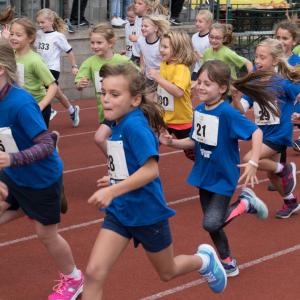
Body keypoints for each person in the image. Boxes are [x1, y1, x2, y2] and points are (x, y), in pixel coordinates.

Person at [81, 63, 227, 299]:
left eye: (115, 94)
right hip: (120, 211)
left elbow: (150, 171)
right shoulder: (118, 123)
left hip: (146, 213)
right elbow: (132, 164)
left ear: (135, 100)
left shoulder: (135, 126)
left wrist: (113, 190)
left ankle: (204, 260)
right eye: (104, 93)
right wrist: (115, 176)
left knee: (168, 271)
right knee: (94, 273)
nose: (106, 99)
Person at [160, 60, 270, 277]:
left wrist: (254, 161)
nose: (200, 87)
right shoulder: (199, 109)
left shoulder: (227, 113)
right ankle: (228, 262)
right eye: (199, 82)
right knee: (213, 225)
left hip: (223, 176)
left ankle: (245, 203)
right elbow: (195, 141)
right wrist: (172, 143)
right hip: (204, 175)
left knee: (211, 223)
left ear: (221, 88)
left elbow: (256, 132)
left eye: (207, 84)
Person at [0, 39, 83, 300]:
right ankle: (25, 206)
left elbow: (45, 144)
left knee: (46, 235)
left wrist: (12, 160)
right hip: (13, 174)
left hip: (40, 178)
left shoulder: (21, 103)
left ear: (1, 68)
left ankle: (74, 278)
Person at [233, 38, 300, 219]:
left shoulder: (282, 83)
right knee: (272, 174)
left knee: (249, 159)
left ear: (275, 60)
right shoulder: (256, 82)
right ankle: (290, 201)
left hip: (279, 133)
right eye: (256, 57)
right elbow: (243, 107)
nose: (257, 61)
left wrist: (298, 113)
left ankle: (285, 169)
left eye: (262, 57)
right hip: (263, 132)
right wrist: (237, 100)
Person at [75, 23, 131, 155]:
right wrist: (80, 84)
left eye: (99, 42)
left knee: (102, 138)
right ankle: (120, 166)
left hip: (125, 111)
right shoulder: (90, 62)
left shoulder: (122, 60)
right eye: (92, 43)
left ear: (110, 43)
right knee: (112, 142)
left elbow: (138, 77)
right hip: (105, 111)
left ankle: (122, 166)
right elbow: (79, 81)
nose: (95, 46)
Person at [148, 30, 196, 160]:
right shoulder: (164, 64)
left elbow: (178, 92)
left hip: (182, 120)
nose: (161, 50)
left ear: (178, 49)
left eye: (165, 47)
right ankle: (141, 171)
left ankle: (212, 172)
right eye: (161, 46)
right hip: (166, 119)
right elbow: (163, 90)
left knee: (194, 154)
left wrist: (158, 78)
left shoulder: (181, 68)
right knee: (150, 144)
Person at [9, 17, 58, 128]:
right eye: (11, 34)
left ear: (30, 38)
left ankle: (51, 144)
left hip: (36, 106)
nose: (13, 38)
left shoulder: (35, 60)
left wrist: (41, 106)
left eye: (18, 35)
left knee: (39, 142)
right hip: (20, 106)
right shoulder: (10, 55)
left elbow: (53, 86)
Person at [35, 8, 80, 128]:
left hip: (52, 69)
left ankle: (48, 109)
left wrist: (74, 66)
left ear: (51, 21)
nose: (40, 25)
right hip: (40, 68)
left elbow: (69, 51)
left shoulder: (58, 36)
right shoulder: (38, 34)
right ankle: (72, 111)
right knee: (57, 93)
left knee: (44, 90)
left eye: (42, 22)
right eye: (38, 22)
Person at [274, 20, 300, 153]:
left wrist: (279, 80)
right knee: (273, 171)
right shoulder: (267, 59)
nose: (280, 41)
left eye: (285, 38)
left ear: (294, 41)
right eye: (277, 37)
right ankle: (283, 171)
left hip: (286, 115)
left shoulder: (297, 63)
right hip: (268, 117)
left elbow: (297, 91)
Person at [137, 14, 169, 93]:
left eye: (146, 26)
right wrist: (142, 68)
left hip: (161, 77)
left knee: (159, 101)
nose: (143, 28)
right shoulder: (141, 41)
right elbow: (142, 53)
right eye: (142, 26)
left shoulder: (161, 43)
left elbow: (167, 60)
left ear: (155, 28)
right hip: (149, 77)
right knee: (148, 100)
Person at [191, 10, 212, 81]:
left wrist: (200, 56)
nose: (197, 23)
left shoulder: (211, 38)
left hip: (208, 71)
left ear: (208, 24)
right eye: (196, 21)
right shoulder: (194, 36)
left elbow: (212, 58)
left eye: (200, 21)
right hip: (196, 70)